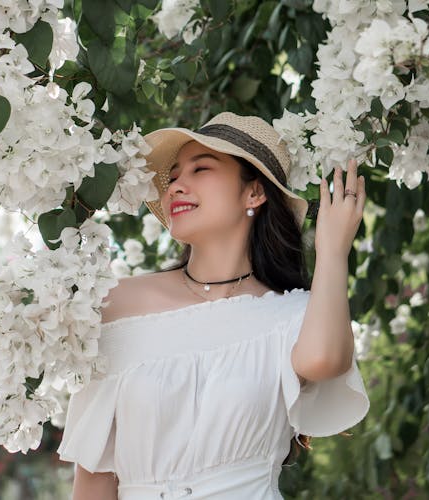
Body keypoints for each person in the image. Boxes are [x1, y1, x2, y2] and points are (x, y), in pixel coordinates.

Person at [57, 112, 370, 499]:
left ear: (254, 193)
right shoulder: (117, 302)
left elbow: (325, 361)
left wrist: (333, 251)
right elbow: (95, 476)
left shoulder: (291, 315)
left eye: (200, 169)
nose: (176, 187)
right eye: (172, 178)